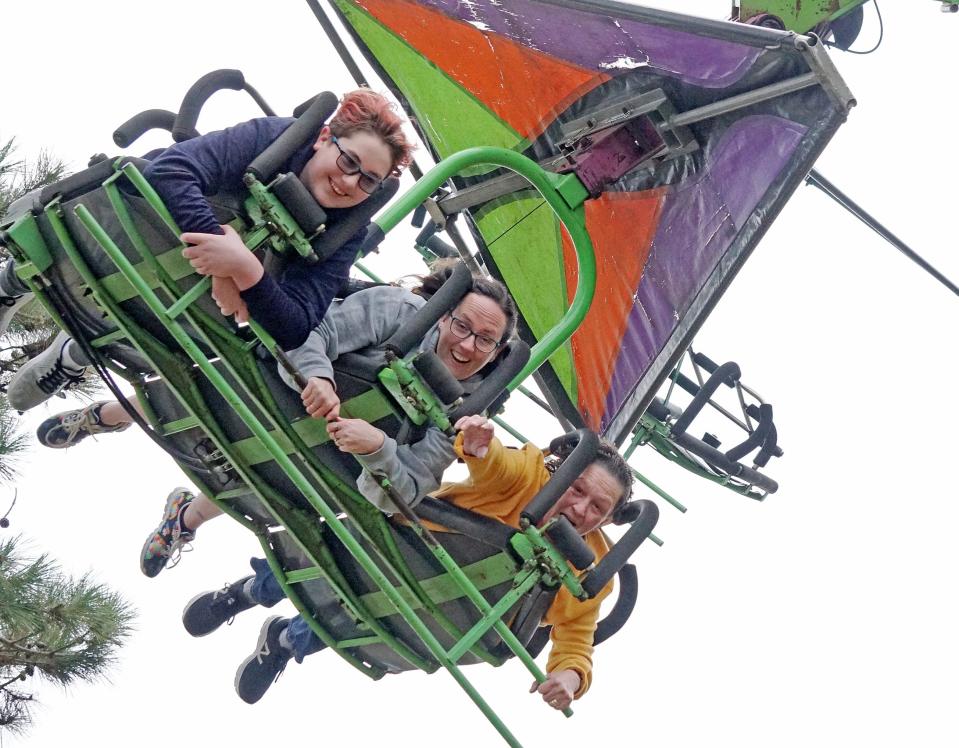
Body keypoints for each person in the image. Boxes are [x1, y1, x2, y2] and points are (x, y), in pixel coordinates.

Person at [37, 262, 517, 577]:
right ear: (442, 317)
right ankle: (108, 414)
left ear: (497, 354)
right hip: (286, 392)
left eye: (485, 341)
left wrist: (379, 449)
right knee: (207, 392)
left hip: (324, 453)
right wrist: (319, 379)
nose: (468, 346)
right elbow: (310, 332)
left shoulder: (464, 411)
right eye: (462, 326)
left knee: (281, 482)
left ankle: (183, 518)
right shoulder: (403, 312)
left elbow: (407, 489)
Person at [0, 89, 414, 411]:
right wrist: (219, 264)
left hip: (172, 302)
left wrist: (246, 270)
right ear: (325, 138)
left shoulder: (344, 232)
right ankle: (12, 282)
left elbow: (297, 324)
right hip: (122, 230)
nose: (349, 184)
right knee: (142, 206)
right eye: (348, 163)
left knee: (188, 332)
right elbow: (172, 171)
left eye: (368, 182)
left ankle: (74, 353)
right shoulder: (277, 138)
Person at [182, 416, 634, 708]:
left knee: (379, 623)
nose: (580, 510)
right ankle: (244, 594)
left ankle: (282, 640)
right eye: (577, 491)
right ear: (563, 474)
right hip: (402, 553)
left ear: (609, 519)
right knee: (336, 567)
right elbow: (499, 467)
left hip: (433, 612)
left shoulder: (591, 566)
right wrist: (478, 448)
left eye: (598, 508)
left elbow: (577, 639)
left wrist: (569, 680)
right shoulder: (532, 475)